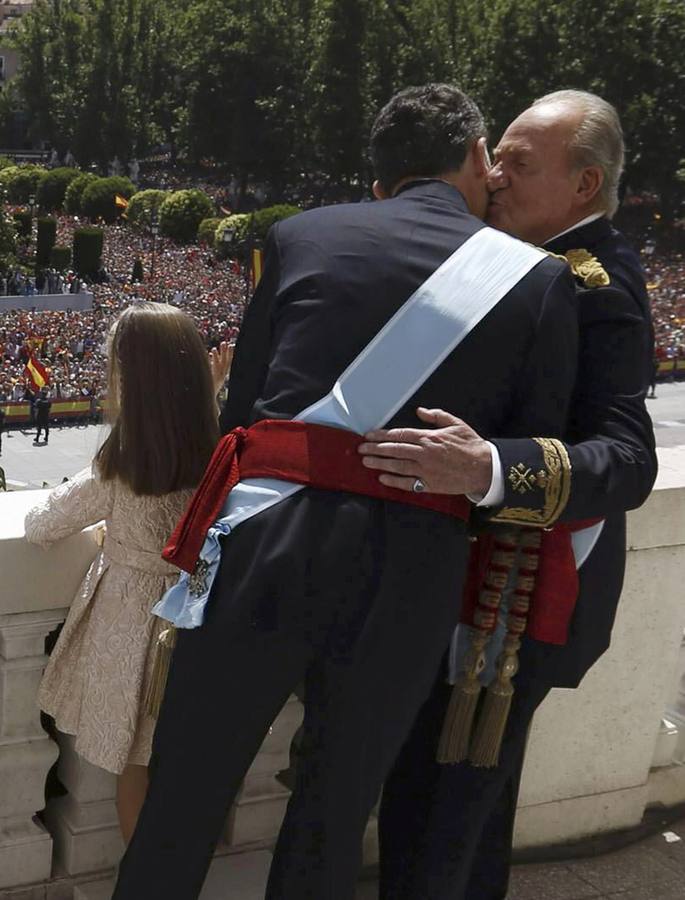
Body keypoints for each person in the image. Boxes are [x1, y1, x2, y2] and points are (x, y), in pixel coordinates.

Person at [113, 83, 579, 900]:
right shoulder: (537, 280)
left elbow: (241, 410)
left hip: (265, 539)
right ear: (475, 156)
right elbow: (527, 449)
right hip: (409, 569)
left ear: (377, 181)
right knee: (331, 817)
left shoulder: (298, 235)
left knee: (182, 801)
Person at [365, 90, 657, 900]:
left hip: (514, 599)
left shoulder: (594, 283)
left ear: (583, 187)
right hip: (470, 585)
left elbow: (627, 461)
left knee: (440, 821)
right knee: (450, 821)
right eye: (495, 156)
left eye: (520, 164)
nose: (492, 175)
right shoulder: (513, 260)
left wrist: (488, 468)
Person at [24, 303, 229, 843]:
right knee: (184, 766)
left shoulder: (121, 464)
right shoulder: (223, 451)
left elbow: (41, 524)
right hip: (202, 621)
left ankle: (146, 882)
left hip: (137, 631)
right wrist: (208, 396)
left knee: (136, 766)